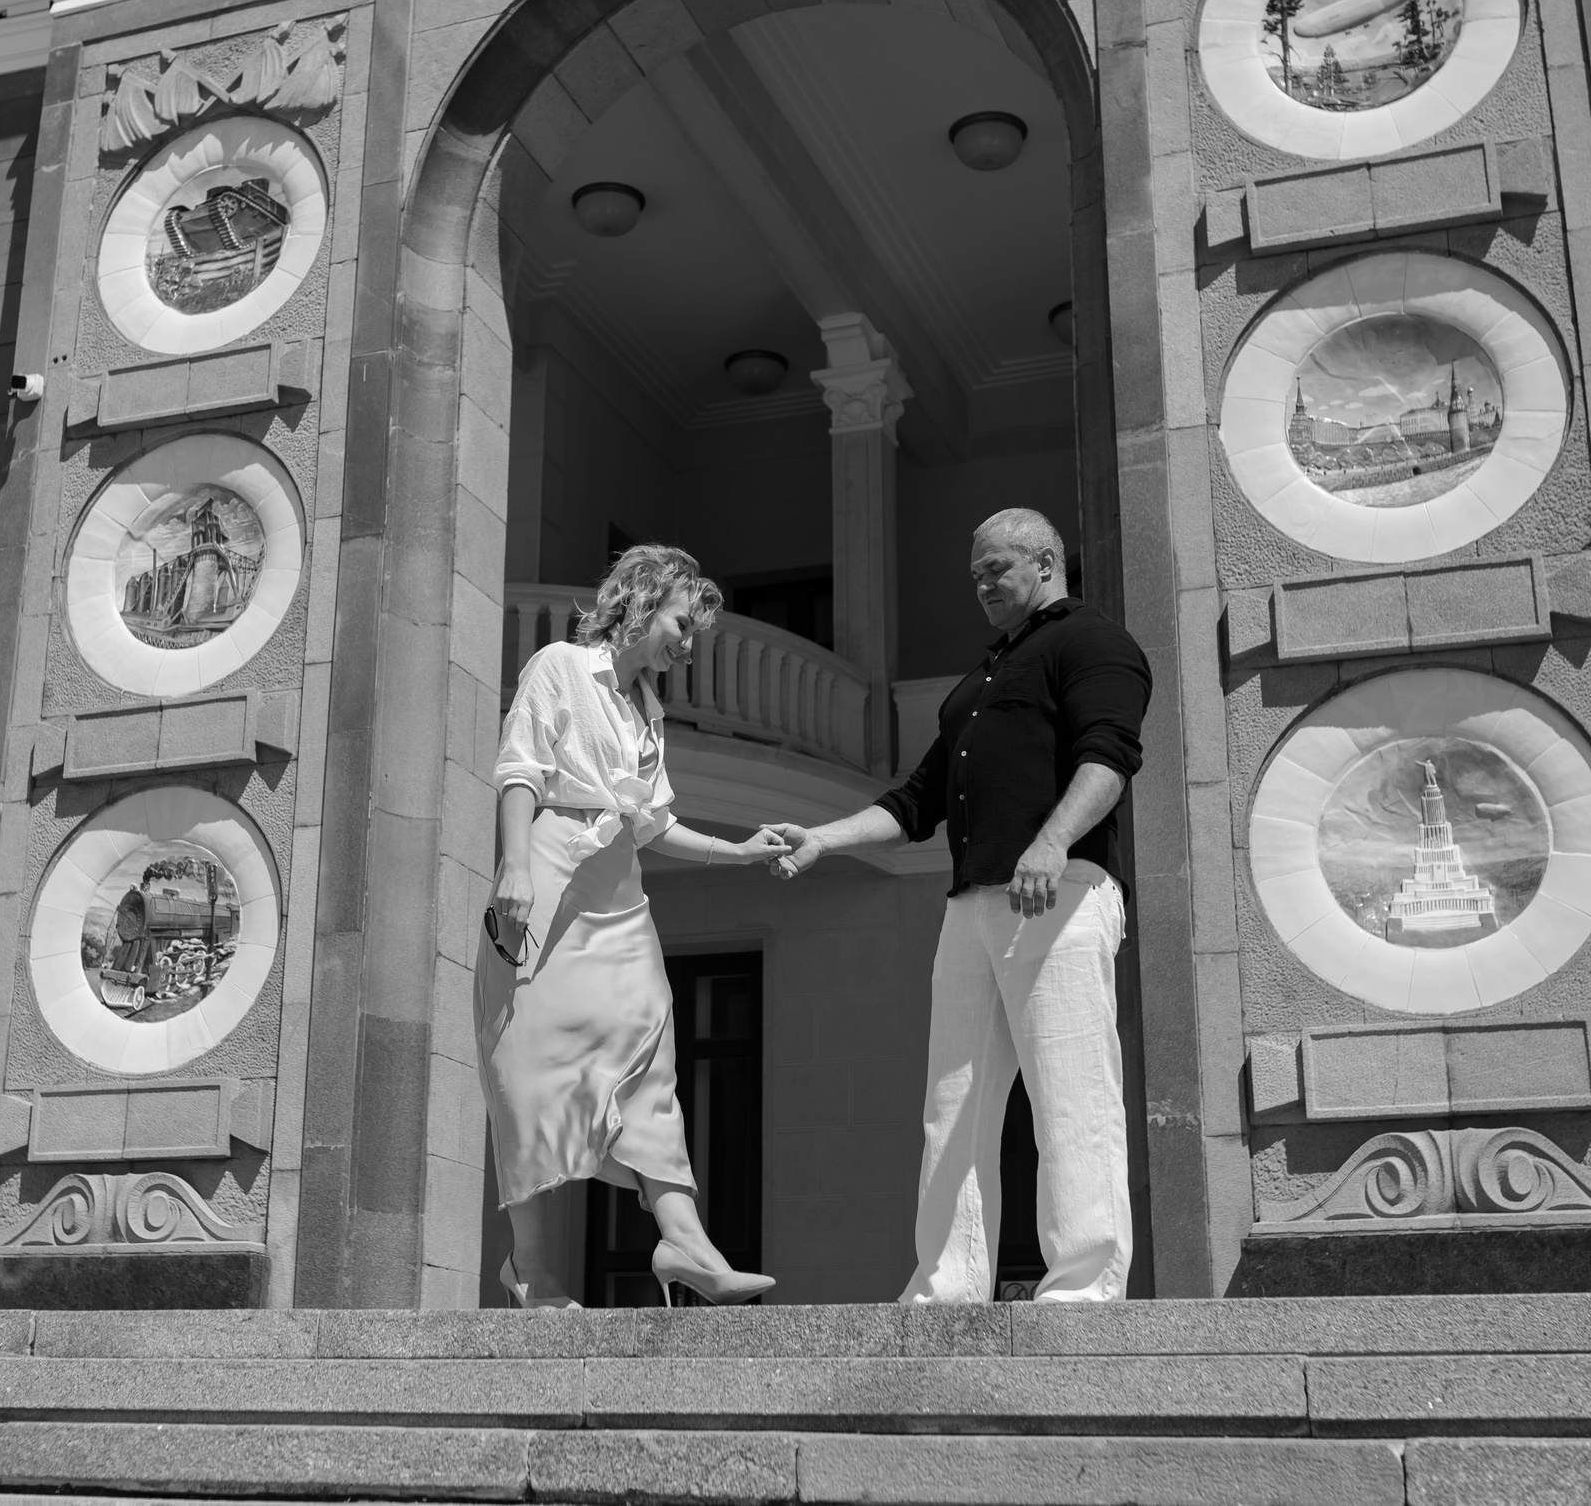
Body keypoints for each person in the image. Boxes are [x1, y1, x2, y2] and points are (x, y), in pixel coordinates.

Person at [764, 508, 1151, 1303]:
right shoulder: (980, 681)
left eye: (995, 569)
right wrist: (823, 839)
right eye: (974, 572)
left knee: (1070, 1095)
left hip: (1060, 893)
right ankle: (948, 1285)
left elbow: (1109, 756)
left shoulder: (1094, 642)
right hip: (970, 906)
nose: (980, 585)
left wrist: (1051, 843)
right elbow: (917, 799)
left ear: (1045, 564)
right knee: (953, 1106)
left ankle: (1083, 1291)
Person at [482, 544, 790, 1309]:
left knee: (649, 1046)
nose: (690, 644)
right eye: (685, 624)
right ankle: (533, 1270)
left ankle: (684, 1239)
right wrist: (513, 866)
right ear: (644, 601)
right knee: (531, 1071)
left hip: (617, 889)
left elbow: (653, 822)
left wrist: (738, 850)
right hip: (549, 872)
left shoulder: (648, 711)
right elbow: (521, 767)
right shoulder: (559, 665)